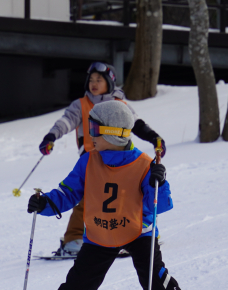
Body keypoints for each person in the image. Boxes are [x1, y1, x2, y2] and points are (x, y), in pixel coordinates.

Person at [25, 100, 203, 290]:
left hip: (137, 232)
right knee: (74, 289)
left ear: (112, 134)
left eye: (93, 129)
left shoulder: (143, 164)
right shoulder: (88, 160)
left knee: (155, 280)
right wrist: (46, 203)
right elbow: (68, 194)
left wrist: (159, 182)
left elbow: (160, 206)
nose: (89, 135)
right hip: (99, 235)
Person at [38, 62, 167, 258]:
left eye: (99, 80)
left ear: (109, 82)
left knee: (126, 197)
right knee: (84, 199)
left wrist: (154, 138)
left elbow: (137, 124)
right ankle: (73, 239)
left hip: (119, 160)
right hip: (90, 160)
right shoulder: (81, 105)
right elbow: (65, 122)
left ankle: (135, 234)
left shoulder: (119, 105)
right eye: (91, 80)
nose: (94, 84)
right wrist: (51, 137)